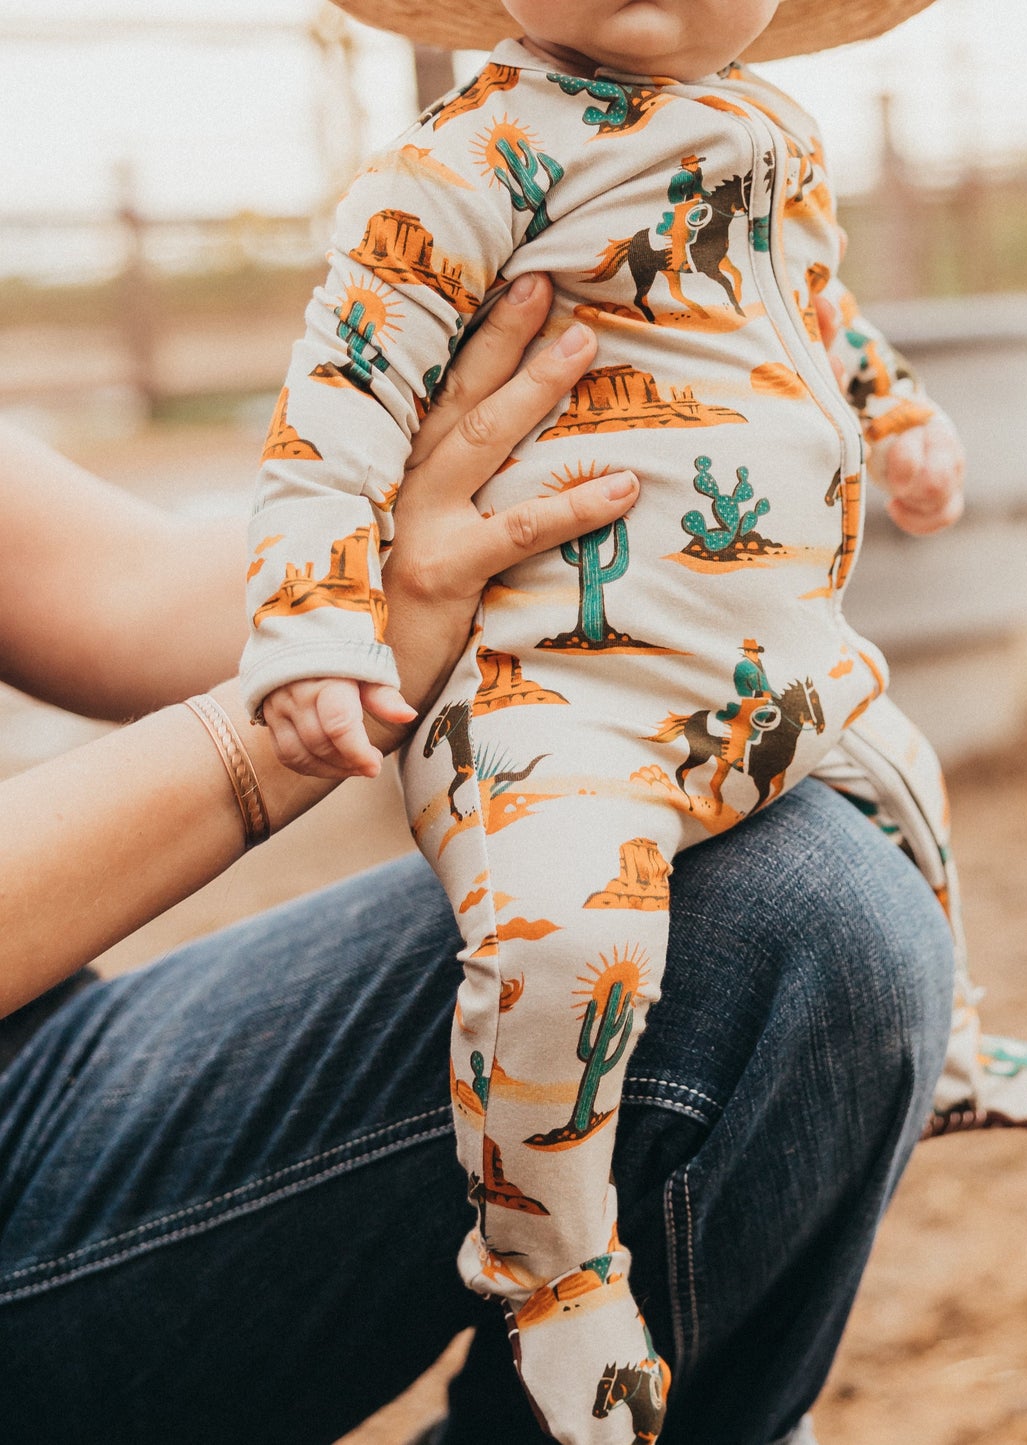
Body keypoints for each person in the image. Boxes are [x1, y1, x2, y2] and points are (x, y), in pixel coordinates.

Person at [242, 3, 1027, 1436]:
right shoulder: (466, 160)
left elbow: (806, 300)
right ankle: (553, 1270)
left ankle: (945, 1045)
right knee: (561, 949)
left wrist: (893, 411)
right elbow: (339, 402)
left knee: (903, 787)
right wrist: (316, 619)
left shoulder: (769, 126)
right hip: (551, 698)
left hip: (767, 665)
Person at [0, 287, 958, 1445]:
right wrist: (330, 694)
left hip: (37, 1071)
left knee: (767, 907)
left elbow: (123, 589)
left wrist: (480, 496)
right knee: (757, 915)